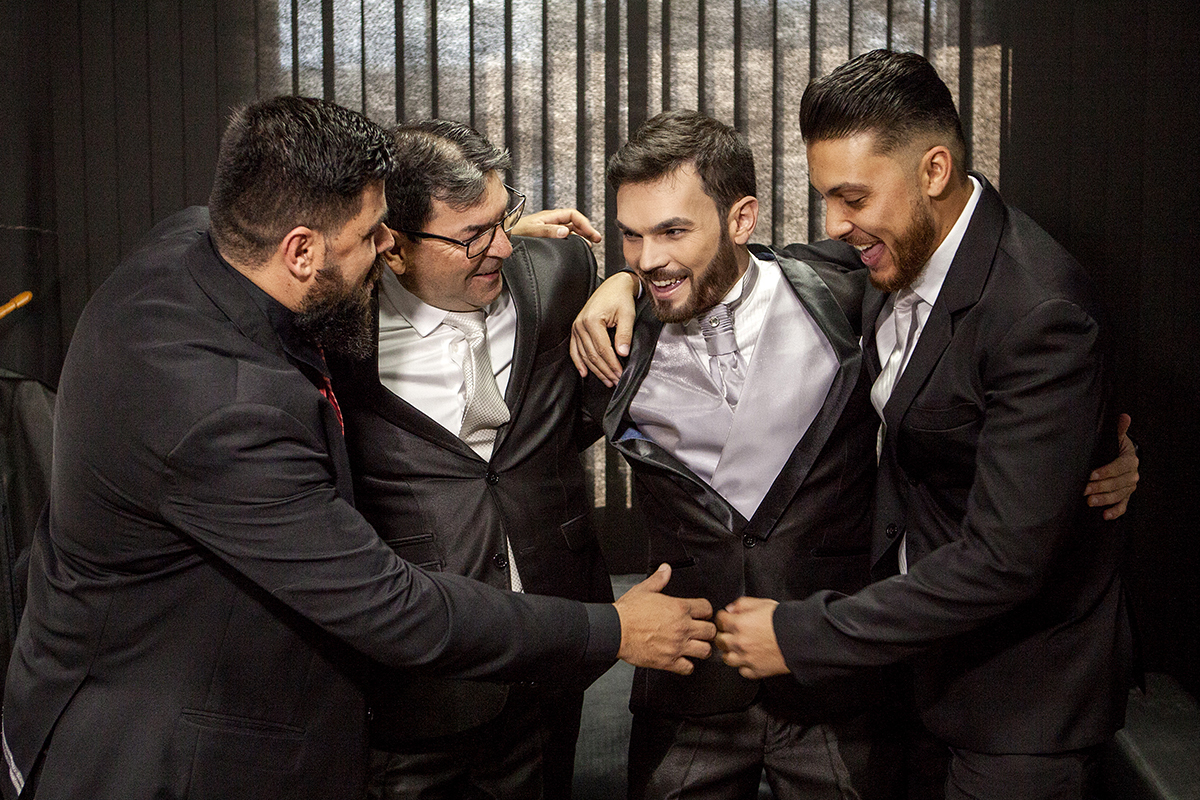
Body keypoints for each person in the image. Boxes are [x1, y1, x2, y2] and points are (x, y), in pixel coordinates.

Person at [0, 96, 715, 800]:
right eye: (376, 236)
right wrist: (611, 629)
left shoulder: (195, 243)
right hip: (163, 743)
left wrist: (473, 244)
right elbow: (394, 607)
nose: (387, 249)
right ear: (301, 251)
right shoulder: (228, 413)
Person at [712, 50, 1134, 799]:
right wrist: (624, 287)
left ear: (934, 170)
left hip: (1018, 706)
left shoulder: (1039, 312)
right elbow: (776, 266)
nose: (835, 224)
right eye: (826, 198)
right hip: (918, 675)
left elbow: (1003, 560)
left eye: (852, 198)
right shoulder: (899, 249)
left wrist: (804, 634)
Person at [327, 119, 608, 800]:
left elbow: (577, 418)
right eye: (473, 235)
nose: (504, 246)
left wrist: (621, 283)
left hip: (555, 637)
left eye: (504, 218)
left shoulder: (559, 273)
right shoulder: (337, 328)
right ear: (393, 247)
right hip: (418, 677)